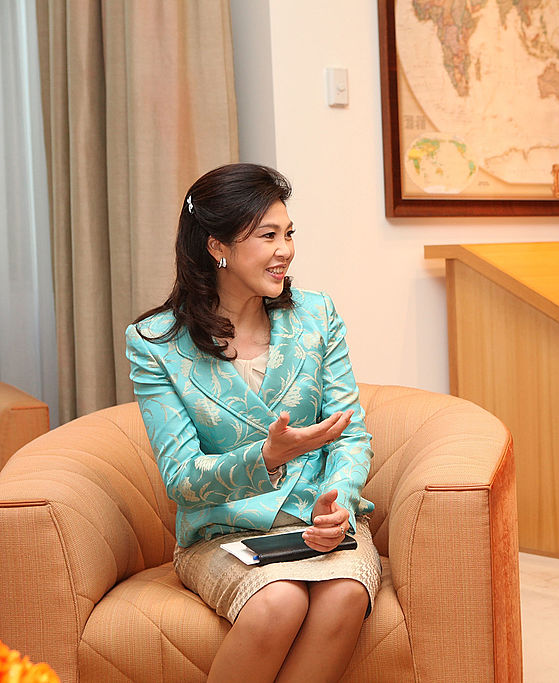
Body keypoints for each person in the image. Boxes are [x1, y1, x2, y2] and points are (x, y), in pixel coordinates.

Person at [126, 163, 380, 683]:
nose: (285, 250)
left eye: (289, 234)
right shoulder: (156, 344)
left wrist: (339, 501)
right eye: (267, 236)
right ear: (217, 245)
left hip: (318, 521)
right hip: (221, 532)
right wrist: (266, 458)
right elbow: (180, 476)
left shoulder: (316, 316)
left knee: (345, 596)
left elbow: (349, 432)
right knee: (278, 602)